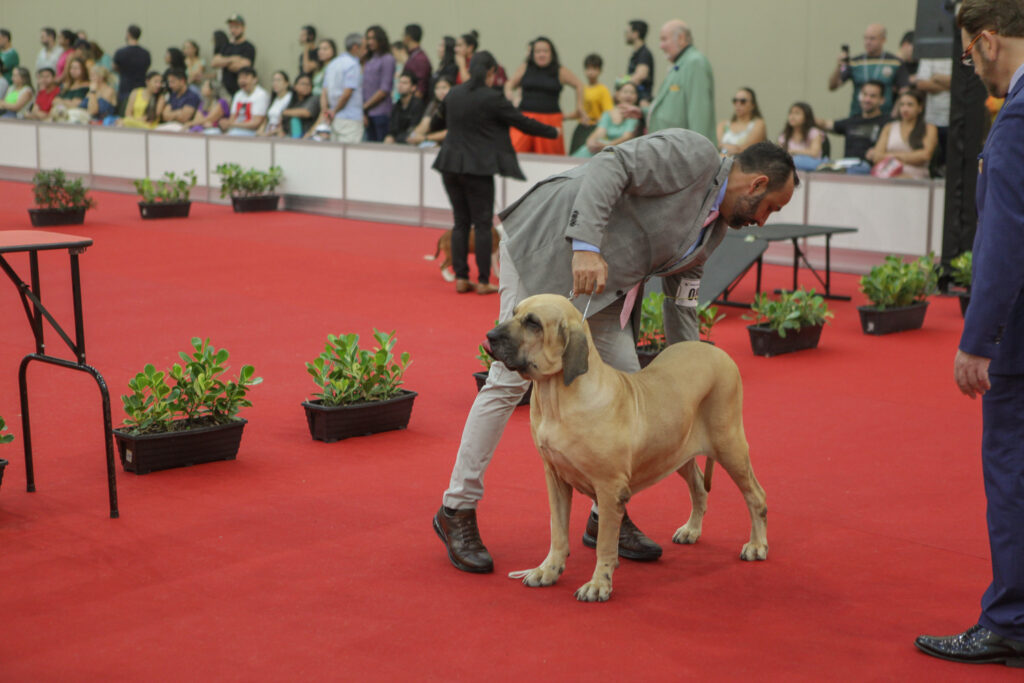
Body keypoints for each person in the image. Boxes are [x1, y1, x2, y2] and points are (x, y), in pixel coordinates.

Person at [434, 132, 798, 574]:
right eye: (771, 208)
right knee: (508, 382)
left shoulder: (712, 234)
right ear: (757, 185)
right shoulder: (695, 154)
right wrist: (586, 245)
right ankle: (458, 508)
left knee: (630, 385)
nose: (764, 221)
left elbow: (681, 303)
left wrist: (688, 372)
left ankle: (605, 516)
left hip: (604, 285)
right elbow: (611, 164)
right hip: (550, 245)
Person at [915, 0, 1024, 668]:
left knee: (1012, 476)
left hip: (1017, 339)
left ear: (986, 41)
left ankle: (1010, 619)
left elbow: (1006, 241)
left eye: (965, 52)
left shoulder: (1015, 117)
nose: (967, 64)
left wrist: (978, 338)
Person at [431, 50, 559, 296]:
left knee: (460, 222)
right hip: (478, 168)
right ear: (490, 72)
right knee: (481, 224)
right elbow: (521, 122)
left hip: (449, 164)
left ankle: (460, 277)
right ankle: (481, 280)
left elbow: (438, 122)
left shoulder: (454, 93)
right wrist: (552, 132)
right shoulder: (493, 98)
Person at [505, 36, 588, 155]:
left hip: (550, 120)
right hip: (525, 119)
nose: (541, 54)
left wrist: (579, 108)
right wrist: (510, 94)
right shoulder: (525, 67)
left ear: (551, 53)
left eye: (545, 51)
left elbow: (579, 85)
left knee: (550, 158)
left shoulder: (560, 71)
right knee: (515, 152)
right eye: (538, 51)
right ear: (532, 54)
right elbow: (510, 84)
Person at [646, 19, 715, 142]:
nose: (660, 46)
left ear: (681, 39)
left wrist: (699, 151)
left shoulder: (695, 63)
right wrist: (643, 112)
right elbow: (671, 111)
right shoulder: (680, 65)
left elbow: (698, 113)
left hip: (685, 152)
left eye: (664, 39)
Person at [828, 23, 909, 117]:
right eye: (865, 38)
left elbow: (905, 91)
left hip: (884, 117)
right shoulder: (854, 62)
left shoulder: (895, 62)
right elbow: (833, 86)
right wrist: (838, 67)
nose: (868, 42)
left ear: (883, 40)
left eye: (872, 38)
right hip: (857, 115)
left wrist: (894, 114)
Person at [865, 89, 938, 179]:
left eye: (910, 105)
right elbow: (877, 157)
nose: (905, 109)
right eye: (902, 105)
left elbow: (925, 155)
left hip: (917, 178)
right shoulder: (889, 127)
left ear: (920, 108)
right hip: (888, 175)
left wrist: (892, 156)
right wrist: (910, 156)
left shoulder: (929, 128)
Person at [819, 80, 888, 173]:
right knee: (809, 163)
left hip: (868, 169)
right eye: (865, 94)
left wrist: (879, 152)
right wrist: (803, 116)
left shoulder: (888, 123)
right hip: (845, 164)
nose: (867, 99)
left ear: (882, 100)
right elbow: (826, 124)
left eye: (873, 96)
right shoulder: (852, 120)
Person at [572, 80, 641, 157]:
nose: (628, 95)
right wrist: (590, 142)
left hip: (619, 151)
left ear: (636, 97)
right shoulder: (607, 113)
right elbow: (599, 132)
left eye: (632, 93)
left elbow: (627, 137)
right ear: (617, 95)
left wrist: (606, 146)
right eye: (625, 92)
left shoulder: (634, 116)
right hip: (602, 148)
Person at [322, 33, 364, 143]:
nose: (366, 50)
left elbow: (324, 92)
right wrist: (335, 110)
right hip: (349, 118)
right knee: (350, 156)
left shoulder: (332, 64)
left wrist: (326, 112)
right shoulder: (353, 65)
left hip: (334, 118)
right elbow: (347, 92)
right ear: (356, 47)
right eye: (364, 47)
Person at [568, 53, 613, 154]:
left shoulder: (603, 90)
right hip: (581, 127)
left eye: (594, 68)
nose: (591, 72)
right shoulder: (582, 88)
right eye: (588, 68)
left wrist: (598, 123)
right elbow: (579, 111)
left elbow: (608, 112)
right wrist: (563, 117)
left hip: (594, 128)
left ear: (600, 71)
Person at [912, 56, 952, 170]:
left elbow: (965, 82)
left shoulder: (961, 52)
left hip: (956, 118)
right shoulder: (930, 56)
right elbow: (922, 84)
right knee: (934, 159)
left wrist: (936, 77)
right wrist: (951, 84)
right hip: (933, 118)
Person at [362, 25, 395, 142]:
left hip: (381, 112)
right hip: (368, 113)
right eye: (368, 38)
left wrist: (364, 107)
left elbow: (384, 89)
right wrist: (364, 110)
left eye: (373, 38)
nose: (370, 42)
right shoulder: (369, 60)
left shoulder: (387, 59)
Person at [212, 14, 255, 97]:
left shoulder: (248, 47)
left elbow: (240, 67)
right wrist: (233, 59)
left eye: (236, 27)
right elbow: (214, 62)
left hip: (240, 90)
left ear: (243, 28)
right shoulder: (226, 46)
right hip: (224, 89)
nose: (233, 30)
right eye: (231, 27)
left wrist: (224, 62)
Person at [218, 66, 269, 136]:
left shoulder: (261, 95)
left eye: (245, 77)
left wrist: (231, 124)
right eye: (240, 78)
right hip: (236, 129)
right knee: (213, 133)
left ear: (255, 79)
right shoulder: (238, 94)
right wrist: (225, 124)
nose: (242, 80)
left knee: (232, 134)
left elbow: (256, 123)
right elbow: (232, 117)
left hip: (252, 132)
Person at [716, 86, 767, 156]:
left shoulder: (758, 124)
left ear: (753, 105)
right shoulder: (723, 125)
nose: (738, 104)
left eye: (743, 101)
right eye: (735, 101)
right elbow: (720, 145)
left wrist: (735, 149)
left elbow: (749, 148)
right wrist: (735, 149)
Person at [779, 102, 826, 171]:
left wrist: (793, 152)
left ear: (806, 117)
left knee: (796, 160)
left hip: (812, 166)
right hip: (791, 169)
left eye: (797, 113)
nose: (792, 116)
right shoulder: (784, 135)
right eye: (791, 113)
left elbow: (814, 153)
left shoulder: (814, 132)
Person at [113, 25, 151, 111]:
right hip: (141, 88)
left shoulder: (120, 52)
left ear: (128, 34)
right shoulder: (145, 53)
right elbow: (147, 67)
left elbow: (115, 67)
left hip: (125, 88)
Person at [407, 74, 452, 145]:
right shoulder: (433, 104)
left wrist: (425, 138)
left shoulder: (455, 104)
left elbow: (451, 132)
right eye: (437, 88)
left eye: (444, 87)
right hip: (432, 139)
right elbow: (424, 123)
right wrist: (414, 136)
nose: (440, 91)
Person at [383, 71, 425, 143]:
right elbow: (392, 128)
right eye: (400, 82)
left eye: (405, 83)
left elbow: (414, 128)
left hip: (411, 141)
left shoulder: (418, 104)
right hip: (397, 140)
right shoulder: (396, 105)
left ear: (413, 87)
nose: (400, 85)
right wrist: (390, 136)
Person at [625, 19, 654, 104]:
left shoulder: (644, 54)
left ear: (635, 34)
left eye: (627, 32)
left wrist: (622, 86)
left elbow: (640, 76)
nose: (626, 35)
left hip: (641, 100)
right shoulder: (636, 54)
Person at [281, 73, 319, 138]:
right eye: (303, 84)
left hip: (305, 137)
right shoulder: (292, 101)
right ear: (295, 86)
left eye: (309, 84)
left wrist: (285, 112)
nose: (306, 86)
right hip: (288, 136)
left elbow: (307, 112)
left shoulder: (314, 99)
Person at [402, 24, 432, 100]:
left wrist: (412, 106)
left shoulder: (420, 59)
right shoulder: (413, 56)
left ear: (408, 37)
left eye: (403, 36)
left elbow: (420, 89)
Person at [259, 70, 293, 136]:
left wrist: (268, 134)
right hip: (268, 131)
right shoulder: (274, 99)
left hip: (280, 133)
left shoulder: (290, 98)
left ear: (287, 83)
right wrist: (260, 130)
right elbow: (266, 119)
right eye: (273, 80)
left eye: (278, 80)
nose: (275, 83)